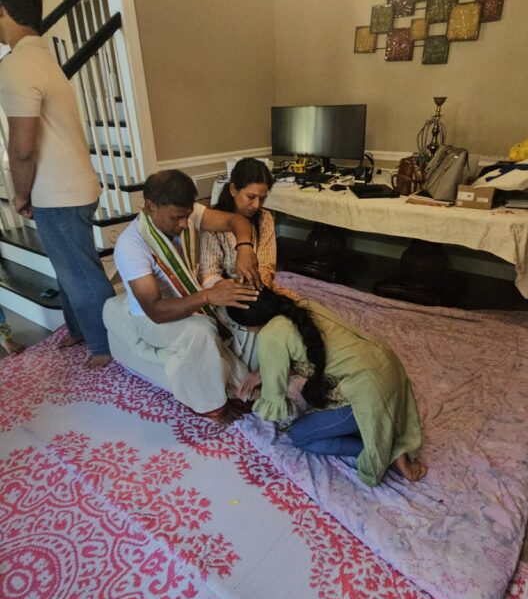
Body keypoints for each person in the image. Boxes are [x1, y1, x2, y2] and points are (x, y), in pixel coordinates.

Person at [0, 0, 114, 367]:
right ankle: (81, 330)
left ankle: (106, 347)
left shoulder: (16, 65)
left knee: (80, 272)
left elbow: (22, 148)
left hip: (59, 192)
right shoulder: (43, 59)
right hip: (73, 185)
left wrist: (20, 194)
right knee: (69, 267)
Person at [228, 287, 427, 485]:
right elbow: (312, 353)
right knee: (322, 408)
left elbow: (276, 404)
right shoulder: (303, 308)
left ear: (247, 324)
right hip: (389, 369)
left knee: (299, 435)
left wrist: (255, 395)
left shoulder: (270, 336)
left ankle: (383, 454)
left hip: (367, 391)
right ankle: (385, 438)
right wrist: (263, 372)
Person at [108, 169, 262, 419]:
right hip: (150, 319)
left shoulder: (189, 214)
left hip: (191, 297)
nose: (183, 224)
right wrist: (208, 296)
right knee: (202, 330)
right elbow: (155, 311)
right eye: (176, 218)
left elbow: (237, 221)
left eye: (187, 216)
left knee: (248, 302)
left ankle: (253, 379)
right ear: (150, 206)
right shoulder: (130, 246)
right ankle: (211, 403)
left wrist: (244, 247)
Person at [199, 157, 275, 369]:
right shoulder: (214, 221)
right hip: (226, 294)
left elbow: (267, 267)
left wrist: (255, 287)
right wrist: (234, 288)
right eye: (251, 197)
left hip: (258, 290)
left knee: (286, 321)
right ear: (233, 189)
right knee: (247, 320)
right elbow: (209, 273)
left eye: (262, 198)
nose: (256, 205)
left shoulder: (265, 218)